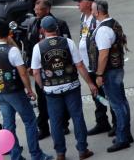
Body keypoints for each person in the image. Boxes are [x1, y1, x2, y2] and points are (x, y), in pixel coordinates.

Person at [0, 19, 52, 160]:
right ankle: (36, 154)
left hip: (0, 92)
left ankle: (15, 155)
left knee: (8, 125)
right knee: (29, 121)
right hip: (15, 91)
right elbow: (23, 73)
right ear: (9, 33)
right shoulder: (12, 50)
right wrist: (30, 90)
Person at [30, 16, 96, 160]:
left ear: (42, 30)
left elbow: (35, 71)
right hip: (71, 85)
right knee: (77, 117)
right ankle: (82, 150)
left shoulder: (38, 47)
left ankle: (60, 154)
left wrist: (42, 86)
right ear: (56, 28)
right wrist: (90, 83)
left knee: (55, 121)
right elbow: (79, 65)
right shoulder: (68, 42)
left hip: (51, 89)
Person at [88, 0, 132, 152]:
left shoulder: (103, 30)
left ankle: (122, 138)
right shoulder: (113, 23)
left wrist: (99, 74)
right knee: (122, 102)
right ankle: (126, 134)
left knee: (117, 104)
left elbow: (103, 55)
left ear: (98, 12)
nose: (92, 13)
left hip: (110, 71)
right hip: (117, 68)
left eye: (93, 10)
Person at [25, 0, 71, 141]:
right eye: (35, 8)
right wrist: (29, 64)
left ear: (47, 10)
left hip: (57, 69)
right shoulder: (33, 23)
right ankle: (43, 127)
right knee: (42, 100)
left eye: (38, 9)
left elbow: (66, 47)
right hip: (40, 70)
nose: (35, 11)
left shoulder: (60, 24)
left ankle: (63, 124)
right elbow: (29, 45)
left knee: (60, 98)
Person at [74, 0, 113, 136]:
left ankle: (116, 123)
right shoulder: (83, 17)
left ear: (89, 3)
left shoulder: (97, 18)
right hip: (88, 64)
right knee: (96, 95)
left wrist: (100, 71)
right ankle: (102, 122)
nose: (77, 4)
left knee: (108, 94)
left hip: (98, 65)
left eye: (79, 1)